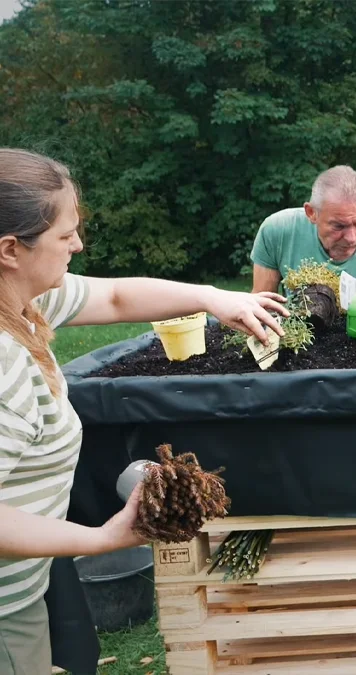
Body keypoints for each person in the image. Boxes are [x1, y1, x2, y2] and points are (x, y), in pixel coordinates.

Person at [0, 148, 289, 673]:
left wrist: (213, 298)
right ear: (10, 249)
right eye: (66, 236)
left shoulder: (22, 299)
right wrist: (103, 539)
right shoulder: (3, 364)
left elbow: (114, 299)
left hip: (29, 579)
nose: (78, 245)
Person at [249, 165, 356, 306]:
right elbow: (263, 307)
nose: (351, 238)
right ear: (311, 213)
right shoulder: (278, 231)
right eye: (339, 226)